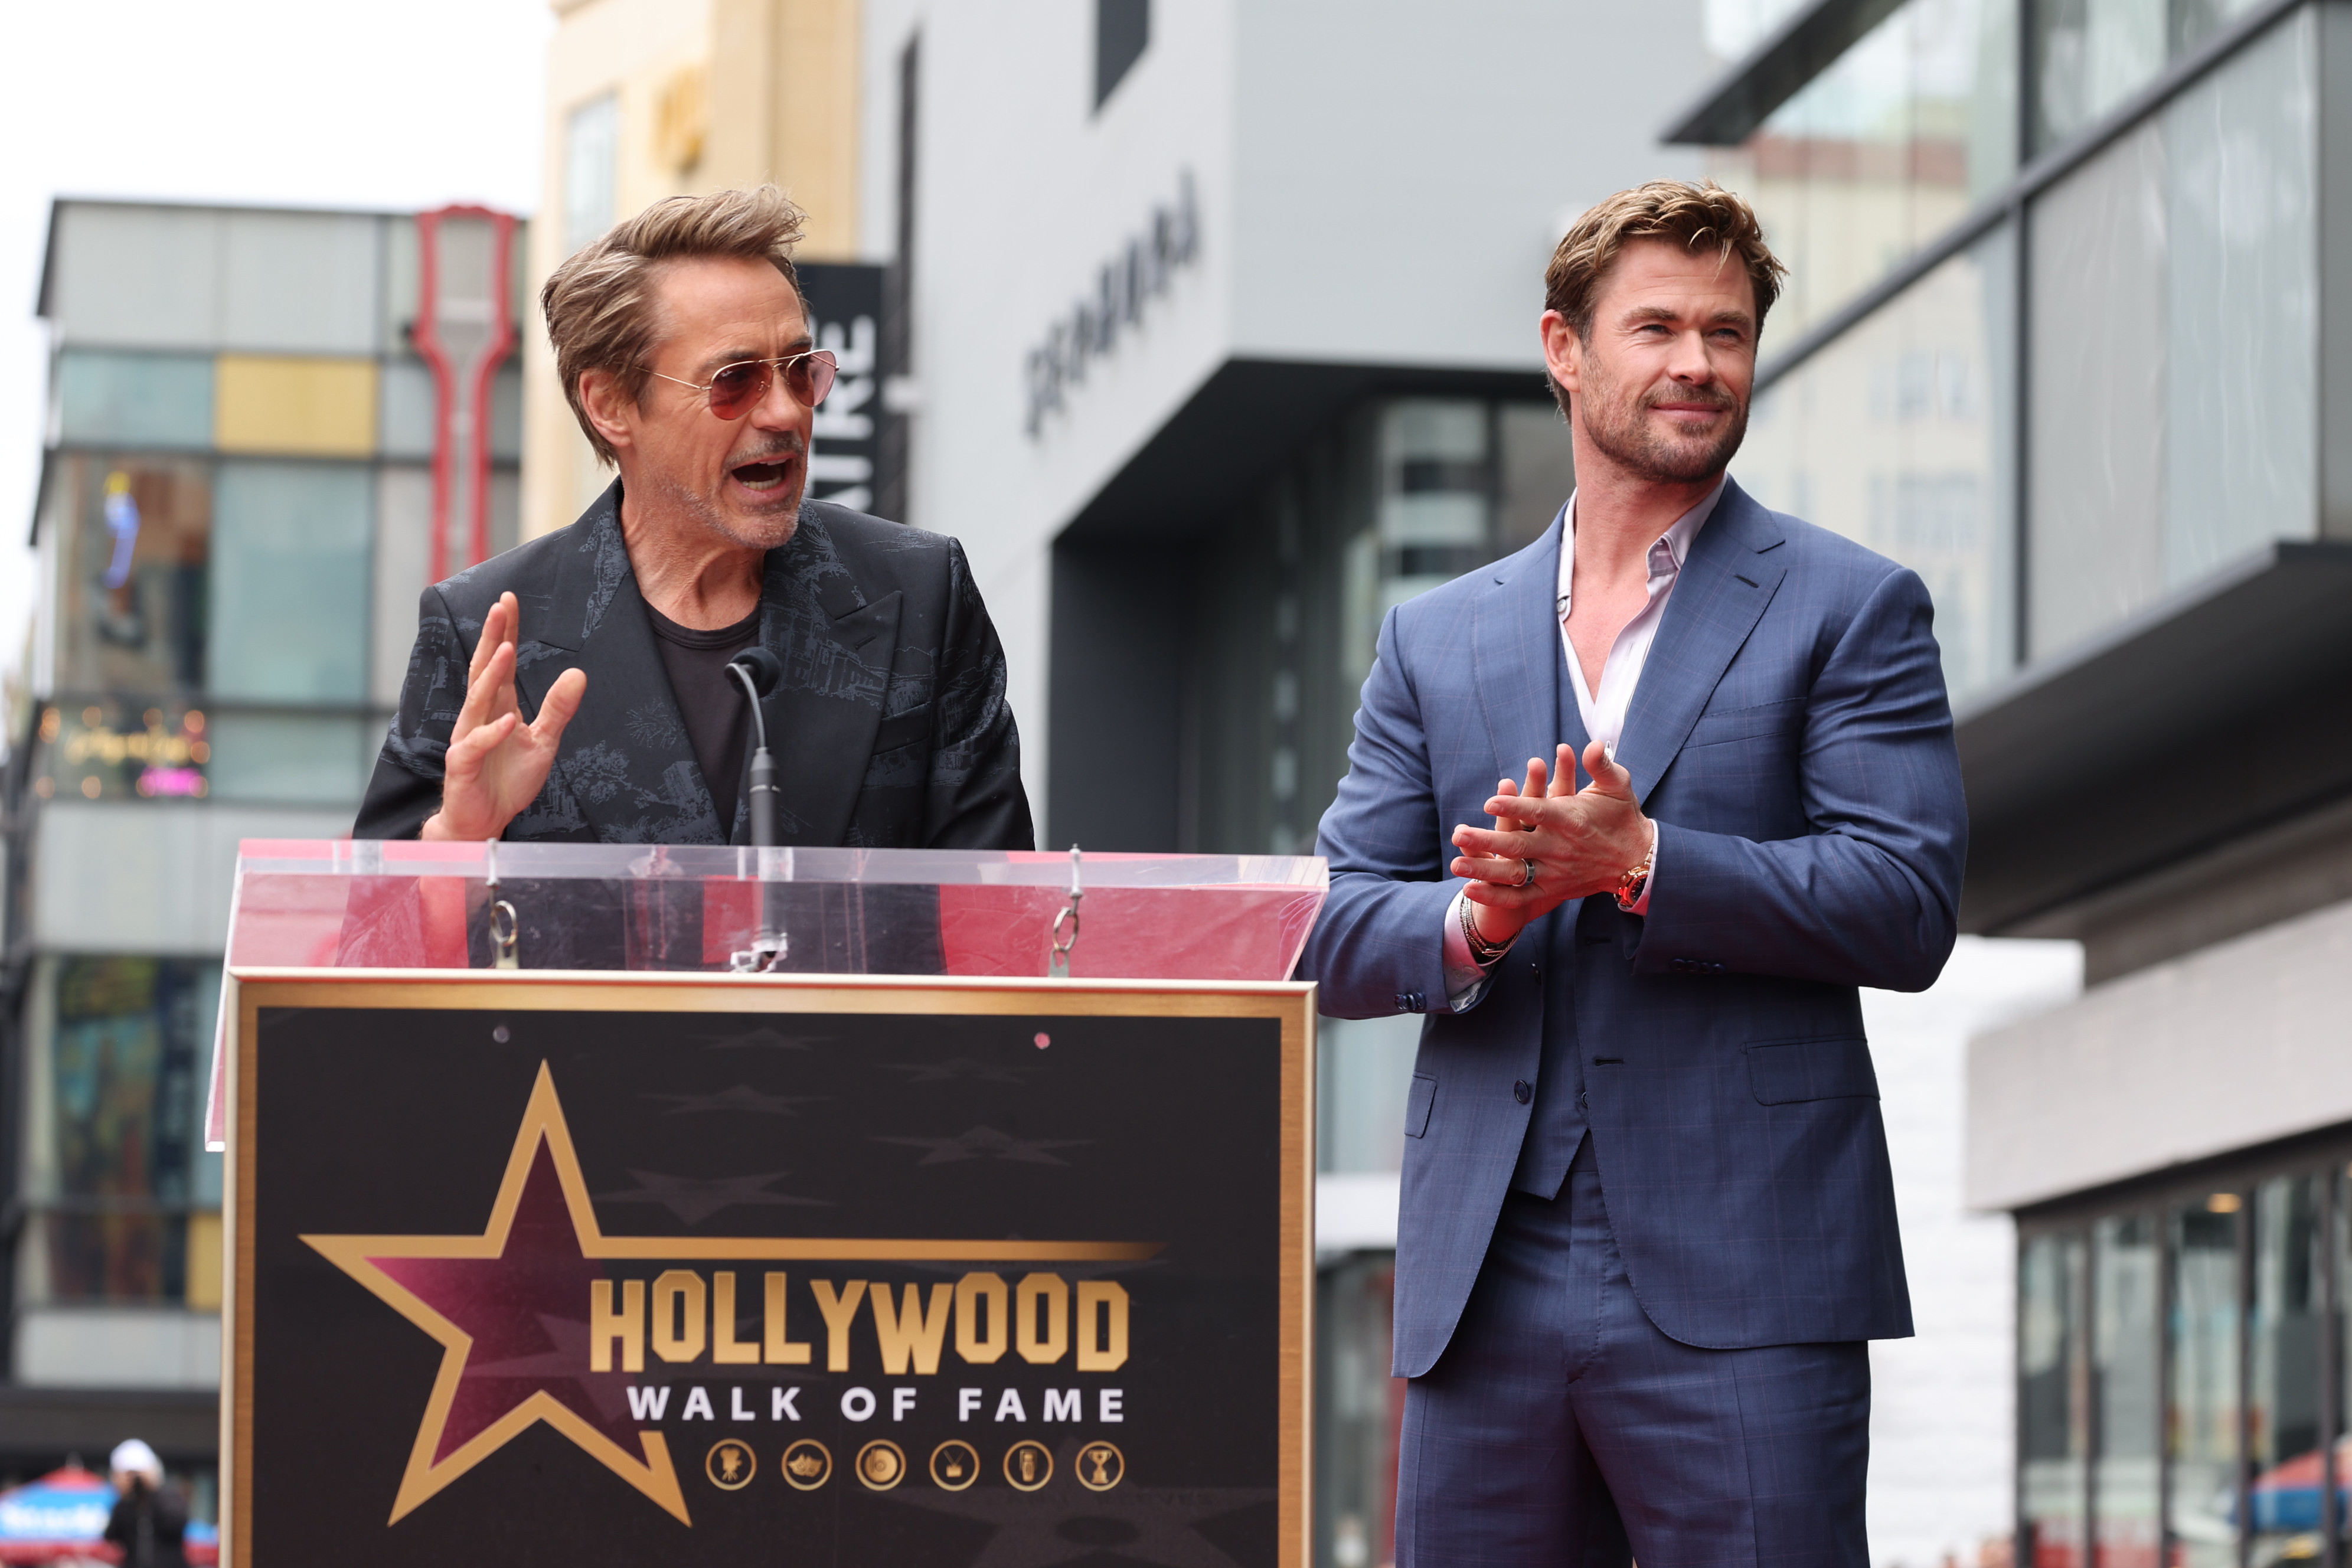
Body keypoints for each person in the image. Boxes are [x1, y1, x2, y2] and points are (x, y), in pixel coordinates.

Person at [1298, 181, 1966, 1564]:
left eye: (1727, 333)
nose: (1698, 364)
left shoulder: (1849, 605)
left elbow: (1905, 899)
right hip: (1483, 1278)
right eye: (1656, 326)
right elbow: (1335, 929)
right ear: (1564, 347)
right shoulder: (1439, 637)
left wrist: (1645, 861)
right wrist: (1475, 917)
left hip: (1750, 1266)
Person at [354, 185, 1031, 854]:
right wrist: (459, 840)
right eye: (735, 380)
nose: (786, 413)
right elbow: (369, 944)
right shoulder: (485, 632)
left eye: (800, 371)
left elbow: (1002, 920)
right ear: (611, 405)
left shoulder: (919, 594)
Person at [103, 1439, 188, 1568]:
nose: (135, 1480)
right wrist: (127, 1497)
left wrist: (152, 1490)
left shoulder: (168, 1498)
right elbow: (111, 1534)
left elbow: (175, 1524)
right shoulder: (125, 1506)